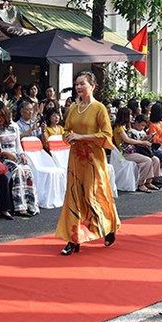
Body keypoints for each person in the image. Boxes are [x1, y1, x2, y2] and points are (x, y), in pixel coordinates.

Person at [56, 71, 120, 255]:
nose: (78, 87)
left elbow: (107, 135)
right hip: (76, 158)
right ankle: (73, 239)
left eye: (82, 83)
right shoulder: (73, 109)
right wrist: (68, 137)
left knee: (94, 195)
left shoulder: (99, 108)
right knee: (74, 196)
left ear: (92, 86)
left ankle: (107, 227)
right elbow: (66, 130)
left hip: (93, 159)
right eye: (76, 84)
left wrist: (82, 137)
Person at [0, 102, 39, 217]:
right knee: (17, 170)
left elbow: (18, 146)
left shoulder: (14, 126)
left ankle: (30, 204)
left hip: (15, 155)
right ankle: (19, 207)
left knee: (27, 169)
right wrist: (5, 153)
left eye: (1, 116)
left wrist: (22, 154)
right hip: (1, 158)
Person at [111, 107, 161, 193]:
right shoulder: (119, 128)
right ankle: (140, 184)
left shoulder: (125, 127)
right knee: (147, 161)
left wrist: (145, 139)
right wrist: (143, 143)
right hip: (125, 153)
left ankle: (149, 182)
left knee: (155, 160)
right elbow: (128, 140)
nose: (131, 117)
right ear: (125, 116)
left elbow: (132, 140)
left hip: (132, 150)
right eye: (129, 115)